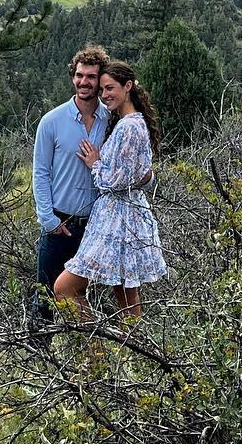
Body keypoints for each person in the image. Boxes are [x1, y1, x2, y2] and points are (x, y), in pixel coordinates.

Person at [54, 59, 166, 322]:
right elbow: (139, 174)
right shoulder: (130, 122)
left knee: (64, 288)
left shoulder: (128, 126)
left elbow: (114, 182)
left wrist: (95, 164)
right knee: (127, 300)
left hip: (117, 221)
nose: (104, 96)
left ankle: (95, 354)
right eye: (102, 90)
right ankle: (133, 354)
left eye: (110, 88)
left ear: (128, 86)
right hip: (123, 217)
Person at [31, 45, 110, 323]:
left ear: (100, 80)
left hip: (97, 226)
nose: (83, 82)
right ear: (72, 77)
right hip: (58, 224)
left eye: (90, 76)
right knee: (44, 300)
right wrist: (48, 219)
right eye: (79, 75)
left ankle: (89, 356)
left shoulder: (111, 121)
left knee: (84, 296)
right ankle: (39, 357)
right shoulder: (51, 121)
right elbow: (40, 173)